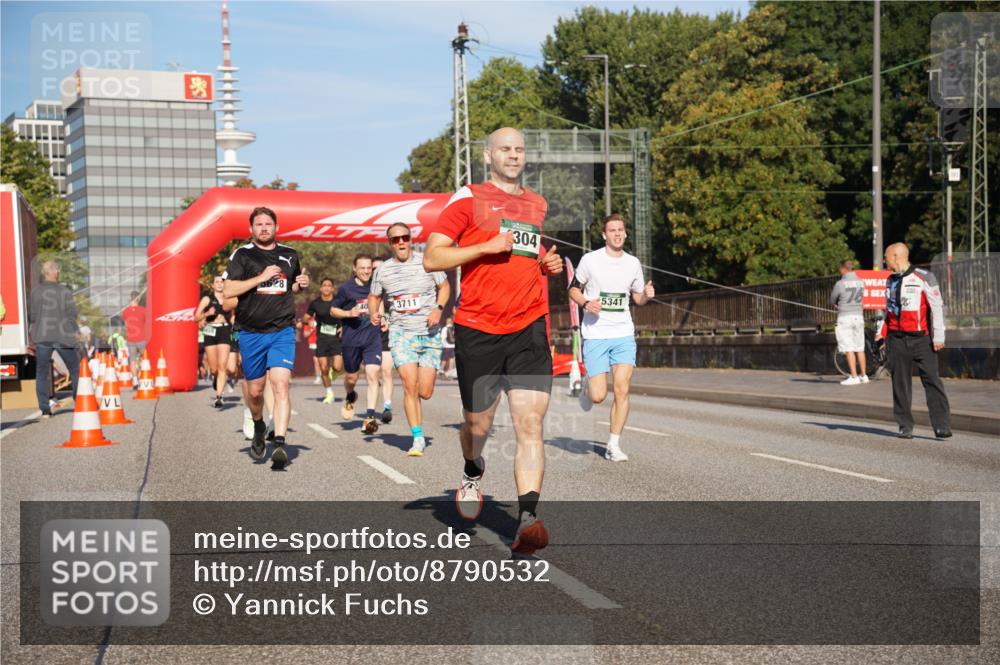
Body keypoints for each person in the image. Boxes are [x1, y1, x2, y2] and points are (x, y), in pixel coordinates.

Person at [424, 126, 563, 555]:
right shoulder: (468, 198)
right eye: (505, 149)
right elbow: (433, 257)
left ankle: (527, 519)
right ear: (488, 156)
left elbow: (527, 254)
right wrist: (485, 247)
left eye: (519, 149)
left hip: (528, 326)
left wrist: (546, 263)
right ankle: (472, 469)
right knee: (478, 425)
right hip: (479, 327)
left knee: (530, 423)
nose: (513, 155)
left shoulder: (537, 204)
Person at [222, 206, 309, 468]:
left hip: (282, 330)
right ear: (251, 229)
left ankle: (279, 443)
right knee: (255, 392)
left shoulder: (290, 254)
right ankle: (259, 425)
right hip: (251, 332)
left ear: (276, 227)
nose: (263, 228)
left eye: (268, 224)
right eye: (258, 224)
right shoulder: (242, 255)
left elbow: (290, 285)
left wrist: (299, 284)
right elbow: (228, 290)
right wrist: (260, 277)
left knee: (281, 385)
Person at [569, 213, 655, 461]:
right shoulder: (590, 260)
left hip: (623, 333)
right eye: (612, 230)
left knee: (622, 389)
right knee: (598, 396)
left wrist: (646, 295)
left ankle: (613, 445)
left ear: (625, 233)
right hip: (596, 334)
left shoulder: (633, 263)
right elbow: (573, 289)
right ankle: (588, 386)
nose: (617, 234)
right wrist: (586, 303)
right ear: (604, 235)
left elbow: (637, 298)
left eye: (620, 230)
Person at [370, 222, 450, 456]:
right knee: (409, 386)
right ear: (390, 243)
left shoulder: (428, 262)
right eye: (396, 239)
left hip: (429, 333)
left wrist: (438, 308)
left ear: (411, 239)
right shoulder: (383, 270)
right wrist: (375, 313)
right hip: (401, 333)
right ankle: (417, 438)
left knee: (425, 392)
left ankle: (418, 428)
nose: (401, 242)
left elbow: (444, 287)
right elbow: (374, 296)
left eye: (404, 237)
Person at [875, 242, 951, 440]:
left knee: (932, 381)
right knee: (900, 384)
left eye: (886, 257)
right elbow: (888, 311)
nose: (884, 260)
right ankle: (904, 425)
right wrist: (881, 333)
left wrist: (939, 336)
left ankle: (941, 425)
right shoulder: (890, 280)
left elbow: (937, 307)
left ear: (896, 256)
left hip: (922, 340)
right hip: (896, 340)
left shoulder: (924, 277)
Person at [331, 254, 384, 434]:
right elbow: (333, 310)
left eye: (369, 268)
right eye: (362, 268)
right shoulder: (346, 289)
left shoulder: (376, 285)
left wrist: (383, 318)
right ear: (354, 268)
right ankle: (350, 395)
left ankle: (369, 418)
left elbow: (380, 302)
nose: (366, 271)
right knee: (351, 378)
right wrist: (348, 313)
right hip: (351, 339)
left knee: (373, 374)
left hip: (372, 338)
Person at [28, 260, 81, 418]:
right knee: (75, 368)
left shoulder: (35, 292)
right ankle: (79, 402)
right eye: (57, 270)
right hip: (62, 336)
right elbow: (72, 314)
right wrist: (74, 331)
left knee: (42, 372)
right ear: (53, 272)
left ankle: (45, 409)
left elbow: (32, 316)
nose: (58, 272)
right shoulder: (64, 291)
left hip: (42, 336)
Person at [303, 278, 345, 405]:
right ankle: (329, 393)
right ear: (321, 288)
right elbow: (305, 318)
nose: (326, 287)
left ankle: (334, 372)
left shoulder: (339, 301)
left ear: (332, 288)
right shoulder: (315, 303)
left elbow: (347, 315)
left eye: (329, 285)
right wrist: (309, 321)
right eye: (324, 285)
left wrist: (343, 327)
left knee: (338, 367)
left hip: (336, 338)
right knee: (323, 368)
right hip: (322, 338)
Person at [195, 275, 234, 409]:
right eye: (216, 282)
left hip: (224, 330)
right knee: (213, 369)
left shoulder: (229, 299)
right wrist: (207, 314)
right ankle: (215, 378)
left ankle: (219, 397)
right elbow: (196, 317)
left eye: (221, 282)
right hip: (210, 331)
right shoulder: (207, 299)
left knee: (222, 366)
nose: (219, 284)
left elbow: (233, 317)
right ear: (212, 285)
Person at [830, 259, 868, 386]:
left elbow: (832, 299)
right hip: (858, 316)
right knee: (860, 348)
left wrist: (836, 304)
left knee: (848, 348)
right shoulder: (861, 282)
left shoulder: (840, 283)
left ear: (843, 269)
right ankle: (864, 375)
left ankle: (854, 376)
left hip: (845, 317)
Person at [371, 256, 396, 424]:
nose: (377, 271)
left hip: (387, 336)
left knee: (387, 371)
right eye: (374, 269)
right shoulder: (367, 291)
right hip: (369, 337)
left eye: (380, 268)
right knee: (373, 373)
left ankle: (387, 406)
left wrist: (388, 320)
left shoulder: (393, 289)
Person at [121, 291, 146, 375]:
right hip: (142, 338)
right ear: (139, 299)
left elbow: (126, 325)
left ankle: (135, 380)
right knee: (145, 359)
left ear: (130, 298)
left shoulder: (125, 311)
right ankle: (145, 377)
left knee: (132, 360)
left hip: (130, 339)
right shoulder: (143, 310)